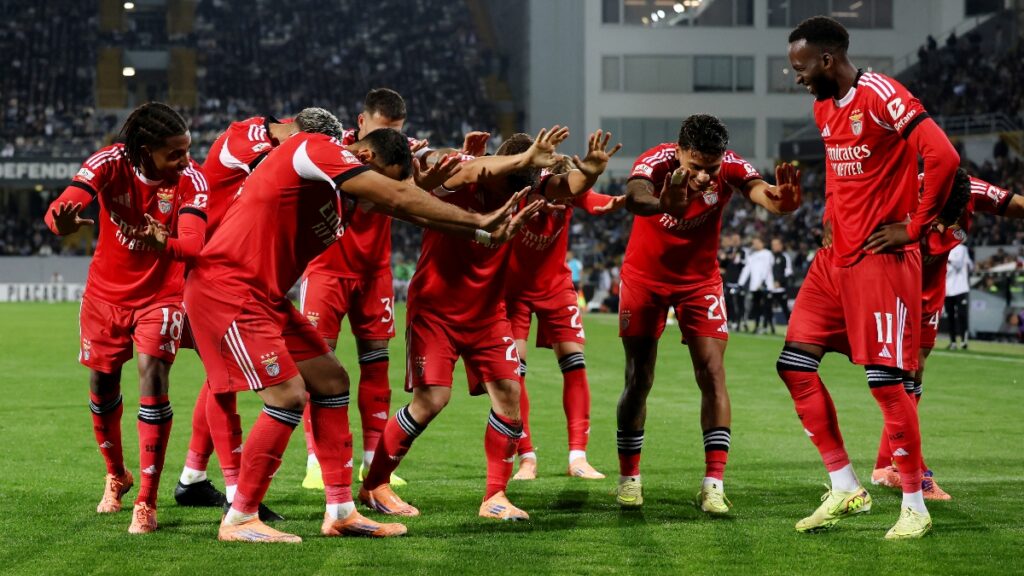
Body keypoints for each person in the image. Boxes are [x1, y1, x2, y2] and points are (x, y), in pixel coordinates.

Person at [185, 108, 520, 543]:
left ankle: (340, 511)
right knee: (287, 395)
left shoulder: (338, 192)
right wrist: (475, 219)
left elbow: (407, 208)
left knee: (331, 380)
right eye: (382, 176)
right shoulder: (312, 147)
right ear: (360, 153)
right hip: (227, 289)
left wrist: (479, 234)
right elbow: (400, 198)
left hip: (263, 295)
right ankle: (240, 517)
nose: (382, 189)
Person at [781, 16, 959, 539]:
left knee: (885, 384)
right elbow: (843, 179)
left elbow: (943, 157)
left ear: (828, 60)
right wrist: (824, 222)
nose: (797, 77)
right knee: (794, 365)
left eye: (801, 67)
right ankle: (844, 486)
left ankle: (913, 506)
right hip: (833, 261)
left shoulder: (882, 95)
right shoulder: (821, 107)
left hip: (881, 262)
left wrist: (915, 227)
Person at [358, 128, 580, 523]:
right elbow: (468, 167)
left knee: (509, 396)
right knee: (431, 402)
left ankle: (495, 496)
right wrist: (523, 159)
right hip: (435, 310)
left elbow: (569, 184)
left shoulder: (524, 190)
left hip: (488, 313)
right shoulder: (466, 172)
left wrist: (591, 171)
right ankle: (376, 484)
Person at [616, 113, 802, 515]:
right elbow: (634, 195)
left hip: (699, 283)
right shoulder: (657, 160)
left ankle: (713, 483)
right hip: (644, 279)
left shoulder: (731, 166)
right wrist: (661, 201)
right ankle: (629, 477)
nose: (703, 176)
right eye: (695, 167)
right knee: (639, 376)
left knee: (713, 373)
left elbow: (761, 192)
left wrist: (780, 203)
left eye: (711, 169)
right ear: (680, 150)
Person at [44, 102, 209, 534]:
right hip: (105, 294)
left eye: (187, 150)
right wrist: (59, 224)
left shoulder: (191, 180)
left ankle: (147, 501)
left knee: (153, 376)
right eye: (174, 153)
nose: (185, 160)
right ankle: (117, 474)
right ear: (144, 149)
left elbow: (193, 247)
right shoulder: (109, 162)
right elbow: (64, 205)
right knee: (102, 383)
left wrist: (164, 244)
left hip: (162, 293)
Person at [298, 88, 454, 490]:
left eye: (399, 133)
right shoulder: (332, 150)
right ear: (362, 121)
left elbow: (425, 182)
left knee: (376, 363)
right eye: (387, 132)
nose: (395, 142)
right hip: (326, 268)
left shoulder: (404, 153)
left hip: (375, 272)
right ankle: (317, 461)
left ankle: (374, 459)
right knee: (318, 365)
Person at [171, 114, 298, 521]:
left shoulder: (283, 139)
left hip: (229, 271)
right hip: (208, 271)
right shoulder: (243, 137)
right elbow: (274, 168)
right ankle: (234, 492)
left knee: (217, 378)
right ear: (286, 125)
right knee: (221, 383)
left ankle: (192, 478)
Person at [871, 171, 1023, 499]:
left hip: (930, 292)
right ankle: (915, 473)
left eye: (950, 218)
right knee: (902, 374)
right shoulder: (902, 188)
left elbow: (1015, 204)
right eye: (937, 217)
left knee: (915, 372)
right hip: (895, 287)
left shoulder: (970, 189)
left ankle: (888, 465)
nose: (942, 225)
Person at [504, 135, 623, 481]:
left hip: (556, 287)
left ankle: (578, 458)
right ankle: (526, 457)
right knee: (514, 374)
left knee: (574, 364)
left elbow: (597, 201)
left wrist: (622, 200)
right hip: (514, 292)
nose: (565, 201)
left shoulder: (570, 194)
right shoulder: (525, 192)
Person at [739, 237, 774, 333]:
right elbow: (746, 270)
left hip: (765, 285)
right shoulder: (752, 255)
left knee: (766, 307)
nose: (755, 245)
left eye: (756, 243)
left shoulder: (767, 253)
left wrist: (762, 282)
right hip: (754, 286)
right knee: (756, 307)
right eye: (754, 243)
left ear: (762, 243)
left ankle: (767, 327)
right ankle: (757, 326)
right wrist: (740, 283)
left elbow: (767, 268)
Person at [944, 243, 972, 349]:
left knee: (962, 315)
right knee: (950, 316)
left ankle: (964, 341)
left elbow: (959, 264)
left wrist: (947, 258)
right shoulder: (944, 248)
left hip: (960, 288)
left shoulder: (962, 248)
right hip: (948, 289)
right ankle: (953, 342)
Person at [770, 237, 793, 325]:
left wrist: (780, 282)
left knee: (785, 308)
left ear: (781, 246)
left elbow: (788, 272)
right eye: (773, 245)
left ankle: (790, 327)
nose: (774, 247)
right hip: (770, 287)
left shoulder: (785, 257)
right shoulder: (770, 256)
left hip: (781, 288)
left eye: (776, 245)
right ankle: (767, 327)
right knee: (767, 307)